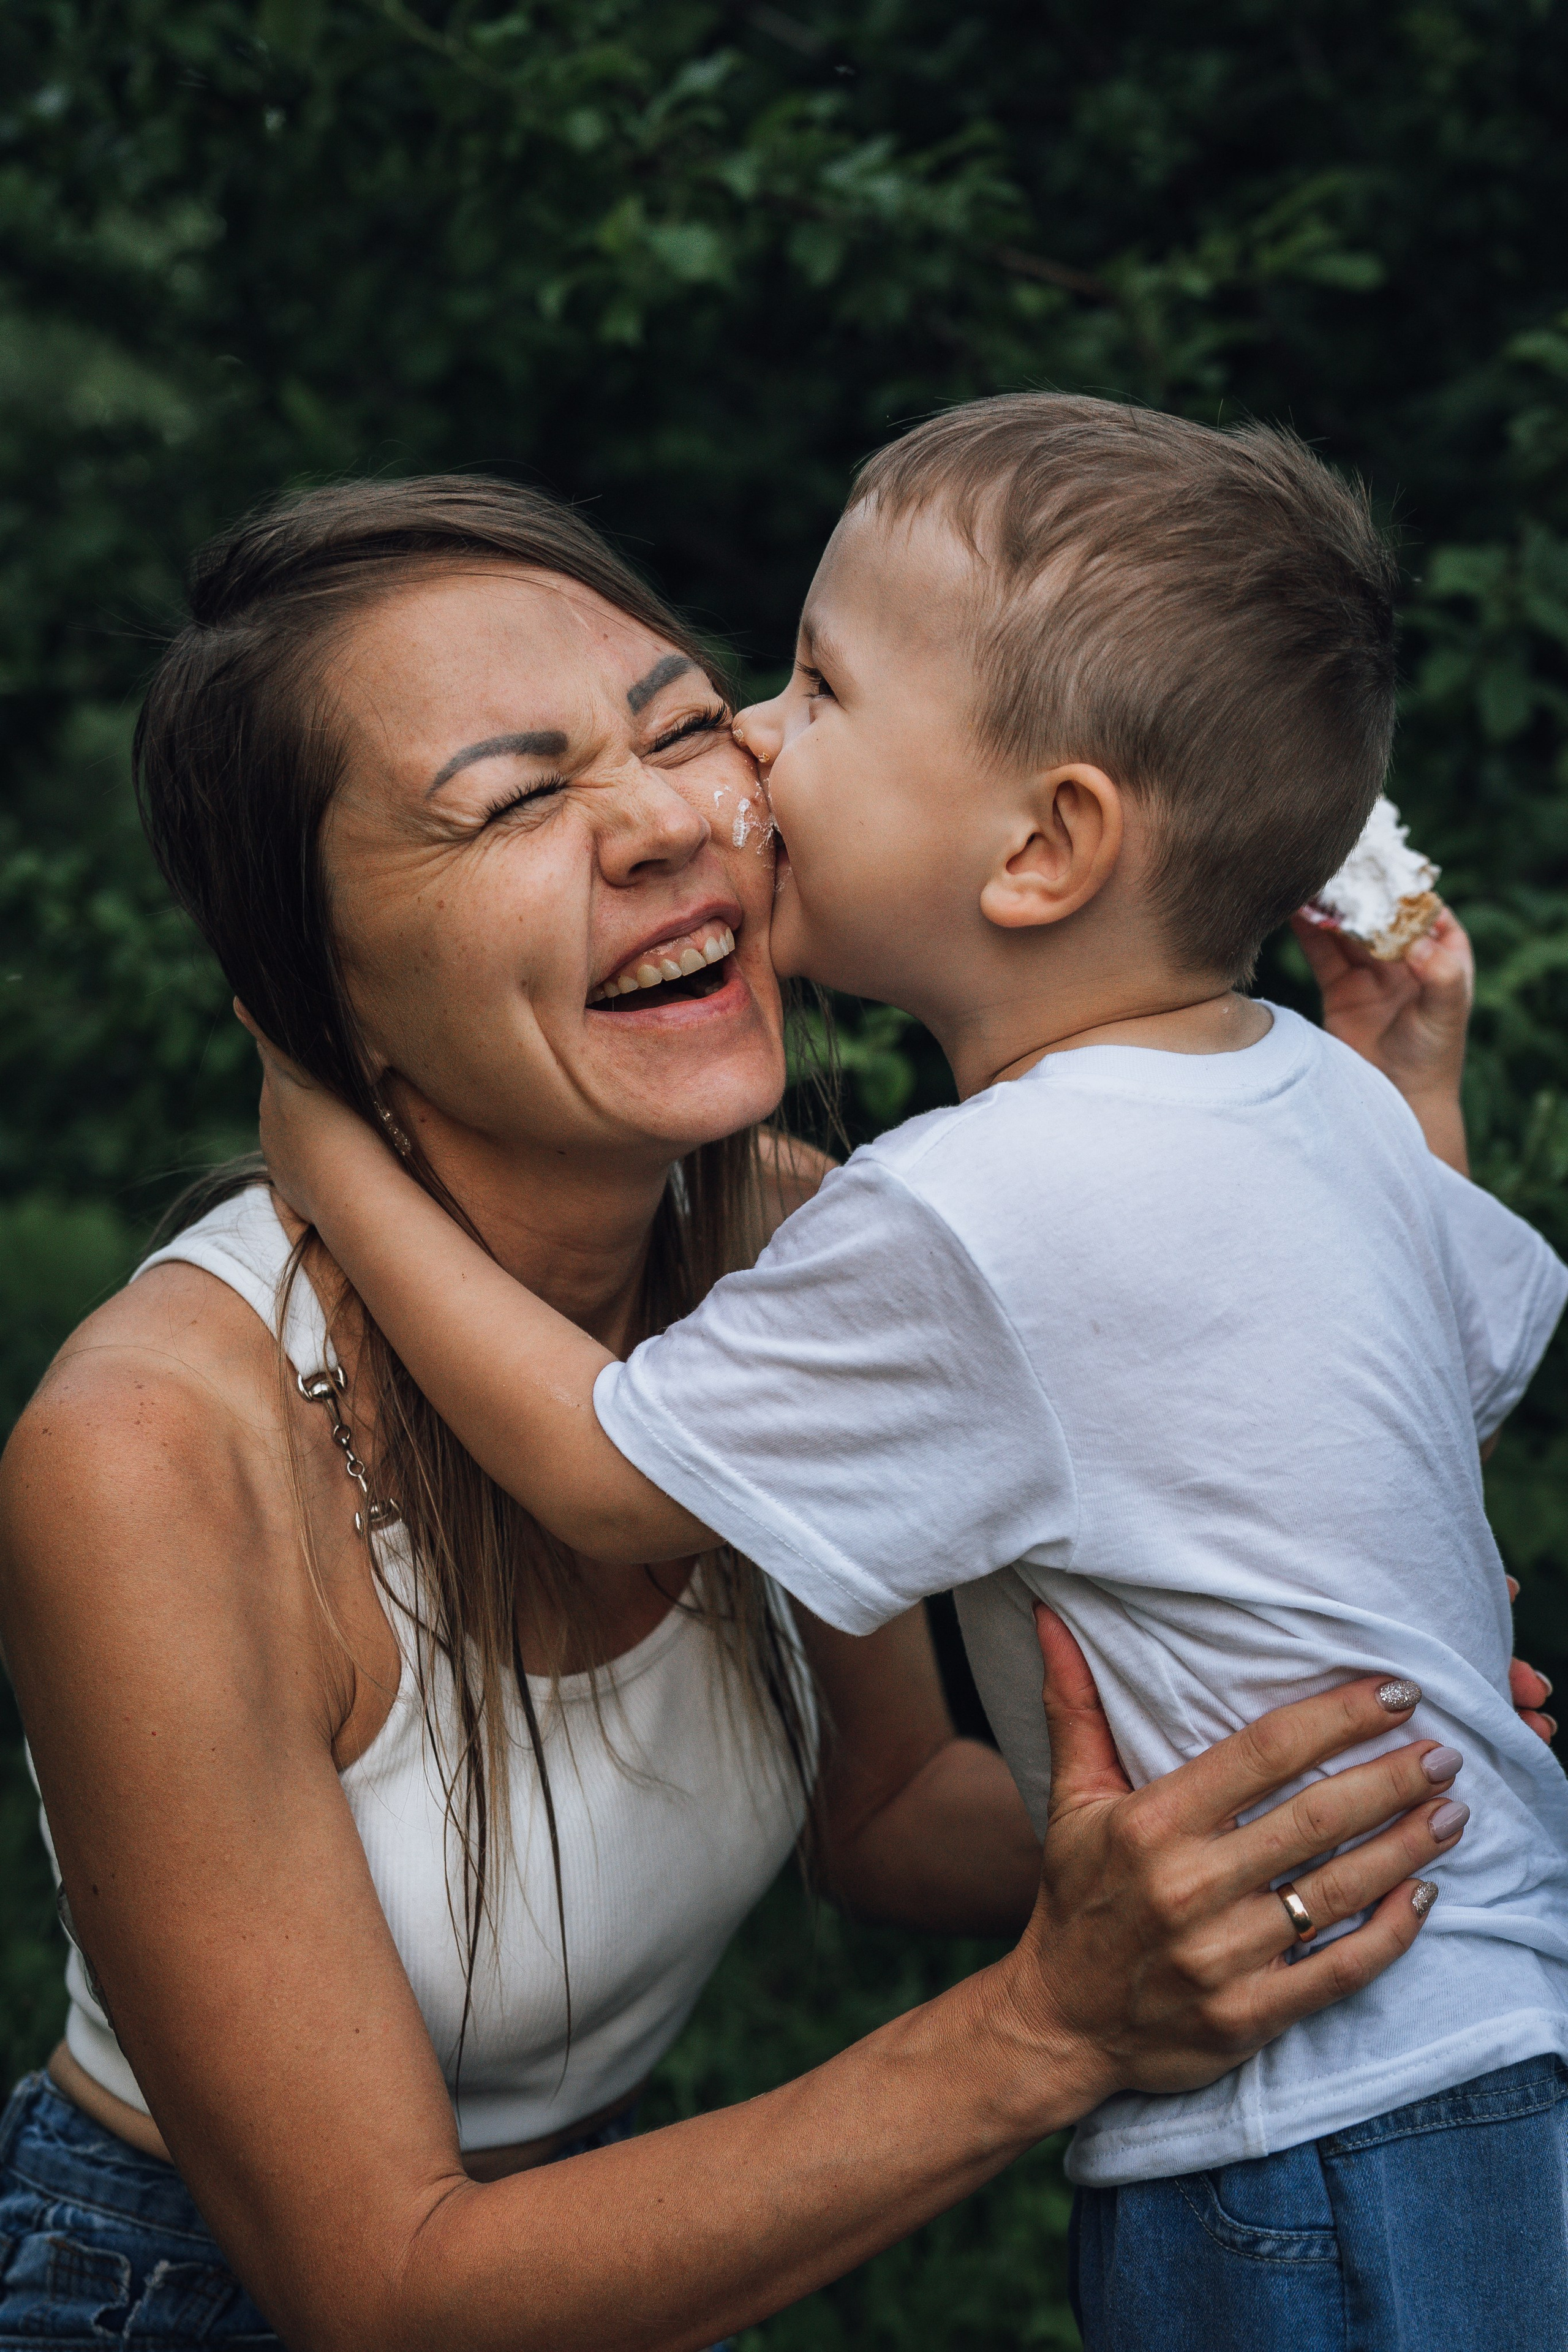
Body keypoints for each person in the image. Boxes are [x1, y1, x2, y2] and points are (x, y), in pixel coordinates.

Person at [0, 477, 1488, 2352]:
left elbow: (891, 1812)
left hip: (637, 2248)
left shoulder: (797, 1245)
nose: (666, 821)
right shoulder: (146, 1456)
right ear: (323, 991)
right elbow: (378, 2293)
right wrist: (1056, 2022)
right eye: (518, 800)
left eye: (690, 722)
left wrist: (1303, 1808)